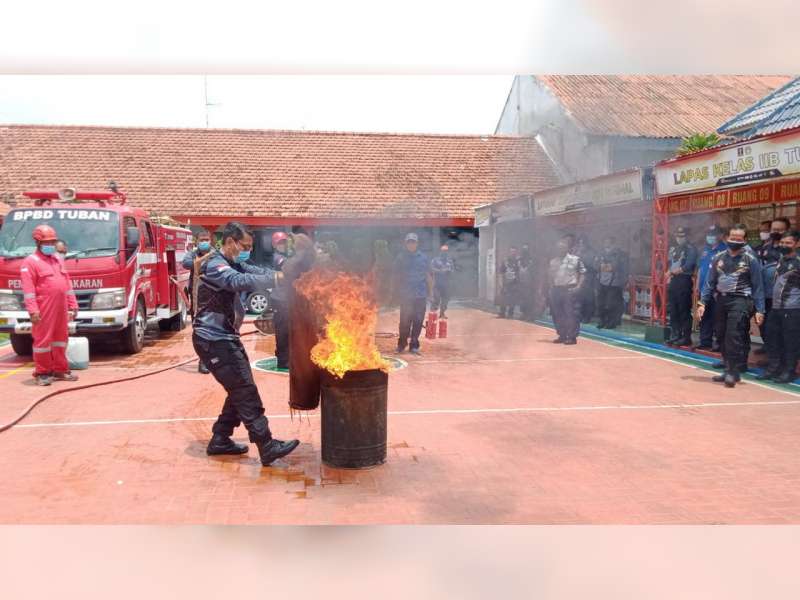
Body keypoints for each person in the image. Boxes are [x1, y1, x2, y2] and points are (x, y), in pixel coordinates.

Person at [191, 221, 299, 465]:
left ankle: (220, 439)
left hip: (224, 337)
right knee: (245, 390)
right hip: (213, 339)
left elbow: (255, 271)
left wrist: (281, 275)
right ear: (230, 242)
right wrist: (279, 279)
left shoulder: (233, 261)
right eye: (245, 246)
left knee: (239, 388)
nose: (246, 251)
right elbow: (238, 281)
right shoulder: (215, 265)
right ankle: (266, 444)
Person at [698, 224, 765, 388]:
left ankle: (732, 372)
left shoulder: (751, 260)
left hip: (741, 301)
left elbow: (758, 286)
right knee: (720, 335)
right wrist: (702, 302)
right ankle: (728, 368)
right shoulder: (718, 258)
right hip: (721, 300)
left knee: (733, 336)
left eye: (739, 239)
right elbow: (709, 282)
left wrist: (760, 309)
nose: (735, 241)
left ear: (745, 240)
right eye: (732, 238)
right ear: (727, 238)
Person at [20, 224, 79, 386]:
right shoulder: (30, 262)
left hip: (61, 307)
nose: (51, 245)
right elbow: (29, 290)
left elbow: (67, 285)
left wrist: (73, 304)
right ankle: (42, 372)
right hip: (43, 308)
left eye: (53, 242)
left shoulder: (57, 260)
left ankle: (60, 369)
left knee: (61, 338)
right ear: (38, 243)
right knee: (42, 340)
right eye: (48, 242)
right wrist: (33, 310)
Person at [758, 230, 800, 384]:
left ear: (797, 244)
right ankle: (774, 368)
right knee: (772, 338)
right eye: (782, 242)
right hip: (775, 308)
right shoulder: (781, 260)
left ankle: (789, 371)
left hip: (792, 309)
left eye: (788, 243)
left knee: (790, 342)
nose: (784, 245)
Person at [755, 217, 790, 355]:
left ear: (787, 230)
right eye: (774, 229)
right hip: (764, 295)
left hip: (782, 298)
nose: (776, 232)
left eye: (780, 230)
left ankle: (779, 357)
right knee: (764, 325)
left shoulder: (789, 250)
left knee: (778, 329)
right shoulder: (764, 248)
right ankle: (769, 350)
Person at [393, 233, 432, 355]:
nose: (411, 244)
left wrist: (430, 293)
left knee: (418, 320)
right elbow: (396, 276)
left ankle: (414, 345)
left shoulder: (424, 258)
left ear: (417, 243)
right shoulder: (400, 258)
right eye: (409, 242)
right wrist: (395, 292)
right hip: (406, 295)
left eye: (413, 242)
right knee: (404, 321)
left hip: (420, 294)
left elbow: (428, 276)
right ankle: (402, 344)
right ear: (406, 244)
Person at [182, 230, 215, 374]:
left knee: (213, 329)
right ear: (197, 241)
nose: (204, 242)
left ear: (211, 240)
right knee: (200, 329)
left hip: (213, 297)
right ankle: (203, 361)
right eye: (202, 240)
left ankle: (213, 359)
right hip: (196, 298)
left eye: (206, 239)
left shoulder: (216, 254)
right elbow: (186, 263)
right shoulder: (192, 254)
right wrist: (203, 260)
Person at [548, 236, 586, 345]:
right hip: (556, 289)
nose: (560, 249)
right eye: (558, 247)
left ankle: (572, 337)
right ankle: (562, 334)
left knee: (571, 314)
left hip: (569, 289)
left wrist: (578, 286)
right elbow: (550, 276)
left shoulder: (575, 259)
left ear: (567, 248)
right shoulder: (553, 261)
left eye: (563, 247)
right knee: (557, 313)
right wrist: (550, 288)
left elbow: (583, 273)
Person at [695, 225, 727, 351]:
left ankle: (719, 344)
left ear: (720, 235)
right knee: (704, 316)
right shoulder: (704, 250)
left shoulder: (724, 250)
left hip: (717, 291)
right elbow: (700, 269)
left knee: (718, 318)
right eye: (709, 234)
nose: (711, 237)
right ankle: (705, 341)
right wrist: (697, 286)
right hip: (703, 289)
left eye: (714, 234)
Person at [665, 226, 698, 346]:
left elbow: (689, 265)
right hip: (674, 281)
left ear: (686, 236)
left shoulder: (691, 249)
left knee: (684, 310)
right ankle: (675, 334)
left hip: (684, 280)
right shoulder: (674, 249)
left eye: (682, 236)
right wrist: (669, 272)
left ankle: (686, 337)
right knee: (673, 310)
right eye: (678, 236)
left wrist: (674, 271)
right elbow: (670, 263)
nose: (679, 238)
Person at [595, 237, 628, 329]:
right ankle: (602, 321)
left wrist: (624, 281)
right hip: (601, 281)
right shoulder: (600, 253)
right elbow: (595, 265)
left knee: (611, 304)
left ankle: (612, 322)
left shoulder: (620, 254)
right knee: (600, 303)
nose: (606, 243)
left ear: (613, 243)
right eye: (605, 241)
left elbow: (619, 267)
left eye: (608, 242)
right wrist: (601, 266)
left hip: (614, 283)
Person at [270, 231, 292, 370]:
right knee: (282, 330)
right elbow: (288, 266)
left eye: (284, 242)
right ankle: (283, 360)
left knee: (290, 330)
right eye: (280, 243)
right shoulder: (277, 257)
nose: (283, 245)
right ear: (274, 245)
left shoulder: (287, 255)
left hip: (288, 300)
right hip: (279, 299)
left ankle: (289, 357)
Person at [574, 236, 597, 323]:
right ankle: (580, 315)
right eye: (580, 243)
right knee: (579, 298)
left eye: (582, 243)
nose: (581, 244)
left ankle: (587, 317)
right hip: (578, 278)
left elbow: (592, 266)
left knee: (588, 298)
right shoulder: (577, 251)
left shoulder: (591, 252)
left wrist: (580, 258)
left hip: (589, 278)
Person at [430, 244, 455, 318]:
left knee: (445, 300)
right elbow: (431, 269)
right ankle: (432, 314)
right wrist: (440, 271)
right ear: (440, 251)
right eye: (443, 251)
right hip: (437, 284)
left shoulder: (449, 261)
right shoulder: (435, 260)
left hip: (446, 284)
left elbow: (453, 270)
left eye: (446, 251)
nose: (445, 252)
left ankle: (442, 313)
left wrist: (449, 271)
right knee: (436, 299)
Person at [498, 246, 522, 319]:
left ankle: (510, 314)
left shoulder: (518, 261)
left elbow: (520, 272)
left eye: (514, 251)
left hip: (514, 283)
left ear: (516, 252)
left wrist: (519, 282)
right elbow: (501, 272)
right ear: (509, 252)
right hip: (506, 282)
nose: (513, 253)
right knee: (503, 298)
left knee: (512, 299)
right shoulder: (505, 261)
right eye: (512, 251)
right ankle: (502, 313)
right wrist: (501, 283)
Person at [518, 244, 535, 321]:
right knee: (522, 299)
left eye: (526, 249)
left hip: (529, 284)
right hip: (520, 283)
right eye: (524, 249)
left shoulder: (531, 261)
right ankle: (523, 314)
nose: (525, 251)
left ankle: (529, 315)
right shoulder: (519, 260)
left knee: (529, 300)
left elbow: (535, 273)